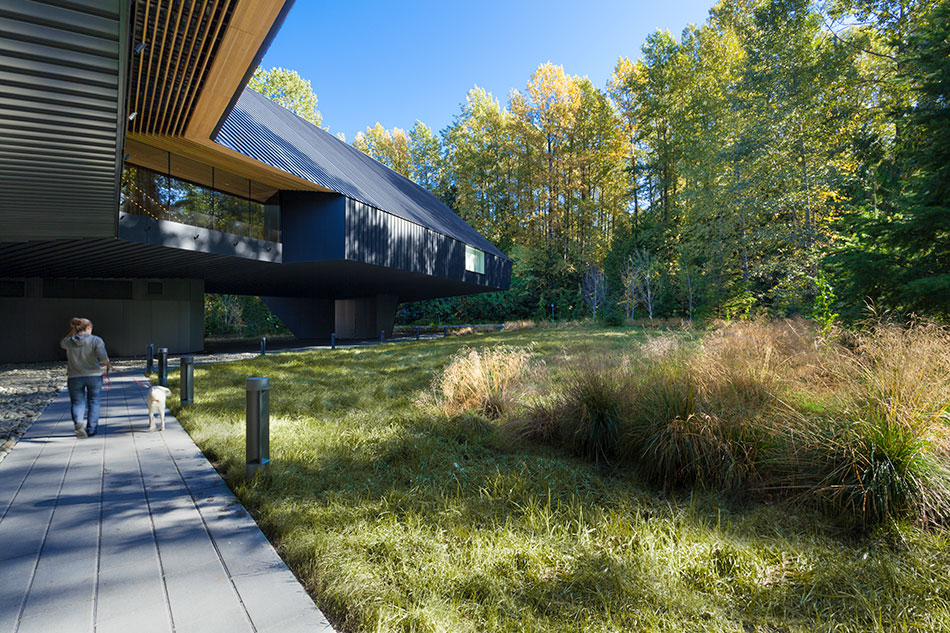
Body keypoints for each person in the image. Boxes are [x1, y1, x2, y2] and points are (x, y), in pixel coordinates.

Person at [60, 317, 113, 438]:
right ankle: (91, 429)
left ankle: (78, 422)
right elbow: (103, 358)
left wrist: (73, 331)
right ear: (89, 327)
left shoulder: (68, 341)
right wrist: (108, 365)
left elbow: (62, 343)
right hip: (94, 376)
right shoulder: (96, 340)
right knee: (94, 402)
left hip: (74, 376)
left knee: (77, 402)